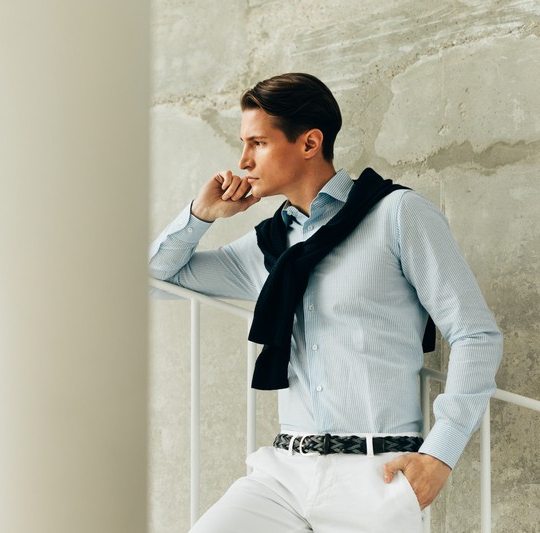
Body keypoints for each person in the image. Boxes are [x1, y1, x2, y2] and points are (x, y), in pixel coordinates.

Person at [148, 72, 502, 532]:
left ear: (310, 143)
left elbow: (475, 334)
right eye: (243, 144)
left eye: (258, 143)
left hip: (376, 475)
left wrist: (440, 454)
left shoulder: (397, 214)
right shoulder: (270, 247)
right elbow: (153, 281)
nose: (243, 161)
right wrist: (200, 216)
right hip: (285, 473)